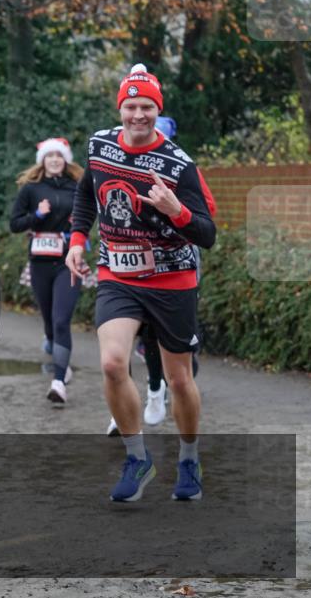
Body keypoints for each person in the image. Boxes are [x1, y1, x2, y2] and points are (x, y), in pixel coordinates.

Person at [66, 64, 215, 503]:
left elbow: (207, 233)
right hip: (118, 273)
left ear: (157, 109)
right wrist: (77, 240)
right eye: (130, 106)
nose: (137, 115)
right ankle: (137, 457)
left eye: (146, 107)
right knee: (112, 363)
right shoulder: (98, 145)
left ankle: (189, 458)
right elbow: (85, 194)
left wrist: (176, 210)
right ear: (120, 108)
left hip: (172, 278)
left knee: (178, 378)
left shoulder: (179, 165)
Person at [9, 138, 85, 404]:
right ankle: (55, 350)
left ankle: (58, 380)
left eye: (59, 156)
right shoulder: (31, 189)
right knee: (50, 322)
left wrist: (80, 226)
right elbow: (15, 224)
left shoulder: (77, 187)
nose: (55, 160)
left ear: (66, 160)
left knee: (62, 319)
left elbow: (90, 216)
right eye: (50, 156)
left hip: (67, 261)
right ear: (43, 160)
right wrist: (37, 217)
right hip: (40, 261)